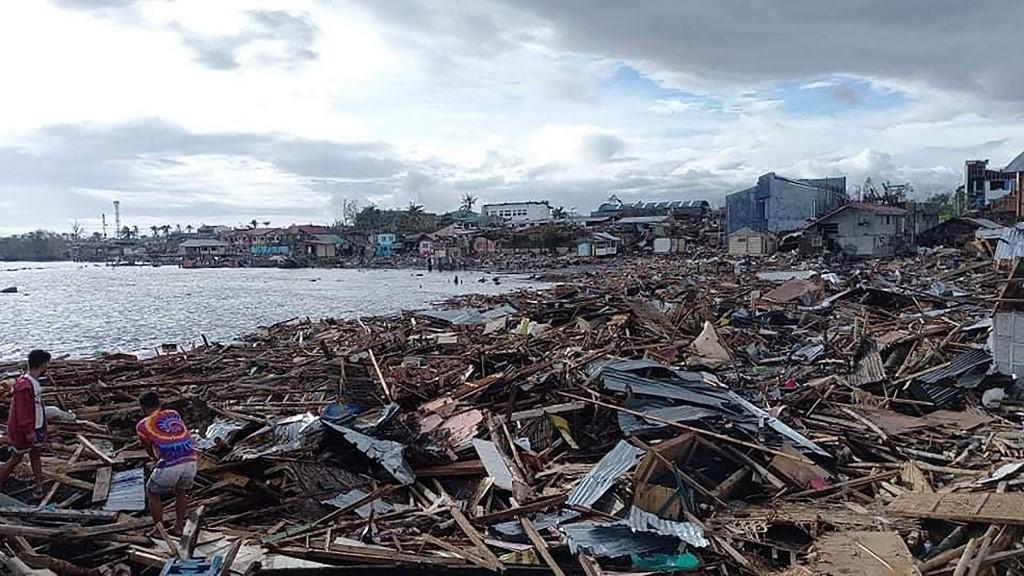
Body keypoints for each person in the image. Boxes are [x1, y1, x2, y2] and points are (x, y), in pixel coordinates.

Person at [136, 391, 196, 535]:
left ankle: (159, 529)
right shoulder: (174, 414)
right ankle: (179, 527)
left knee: (152, 493)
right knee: (181, 492)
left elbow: (149, 448)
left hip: (170, 463)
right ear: (160, 403)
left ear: (142, 408)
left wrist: (156, 461)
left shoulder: (142, 425)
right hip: (191, 459)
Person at [0, 349, 51, 497]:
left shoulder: (32, 382)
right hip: (25, 430)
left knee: (36, 454)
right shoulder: (24, 386)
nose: (48, 367)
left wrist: (42, 427)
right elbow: (23, 413)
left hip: (37, 426)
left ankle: (39, 485)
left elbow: (36, 407)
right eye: (47, 364)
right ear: (42, 365)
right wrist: (29, 432)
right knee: (16, 458)